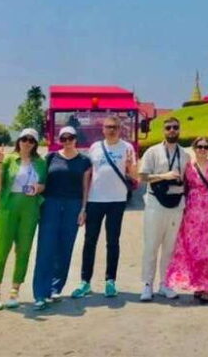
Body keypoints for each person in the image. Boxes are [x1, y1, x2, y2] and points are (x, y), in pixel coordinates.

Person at [72, 115, 137, 299]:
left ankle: (110, 281)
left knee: (113, 241)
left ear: (120, 129)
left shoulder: (127, 148)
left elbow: (135, 175)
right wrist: (83, 206)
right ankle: (85, 282)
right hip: (95, 200)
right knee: (90, 241)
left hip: (117, 200)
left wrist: (131, 165)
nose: (112, 130)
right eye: (108, 127)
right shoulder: (95, 147)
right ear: (103, 129)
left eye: (115, 127)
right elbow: (88, 176)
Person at [165, 137, 208, 302]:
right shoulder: (188, 167)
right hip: (192, 213)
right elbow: (184, 189)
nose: (202, 150)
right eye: (199, 147)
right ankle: (197, 283)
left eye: (206, 147)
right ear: (194, 149)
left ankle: (207, 286)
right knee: (194, 249)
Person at [32, 126, 91, 310]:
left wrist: (83, 209)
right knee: (46, 248)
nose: (67, 141)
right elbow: (41, 180)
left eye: (70, 138)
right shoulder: (50, 157)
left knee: (65, 248)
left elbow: (85, 188)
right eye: (63, 138)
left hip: (73, 206)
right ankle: (40, 293)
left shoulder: (84, 161)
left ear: (76, 139)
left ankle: (55, 287)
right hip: (51, 205)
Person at [0, 128, 47, 310]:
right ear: (19, 141)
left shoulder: (40, 163)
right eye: (24, 139)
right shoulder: (8, 160)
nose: (27, 143)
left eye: (31, 140)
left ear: (35, 144)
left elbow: (44, 185)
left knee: (23, 250)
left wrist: (39, 188)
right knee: (1, 249)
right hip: (8, 208)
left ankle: (15, 291)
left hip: (29, 209)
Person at [138, 117, 189, 302]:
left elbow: (188, 180)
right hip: (155, 204)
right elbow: (142, 176)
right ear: (163, 131)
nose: (172, 130)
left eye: (176, 127)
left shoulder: (185, 155)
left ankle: (165, 284)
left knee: (170, 247)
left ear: (179, 130)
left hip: (176, 204)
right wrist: (164, 176)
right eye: (169, 128)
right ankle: (147, 284)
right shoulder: (152, 152)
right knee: (151, 245)